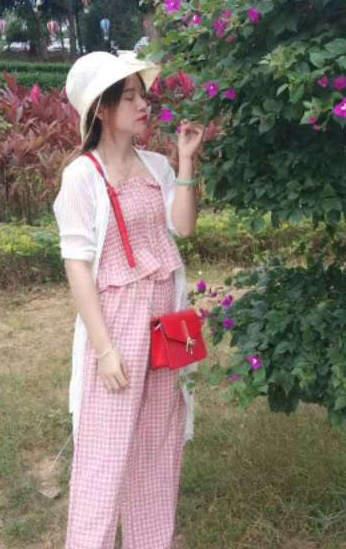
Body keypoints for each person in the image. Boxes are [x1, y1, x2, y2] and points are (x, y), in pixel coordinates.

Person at [53, 50, 205, 549]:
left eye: (144, 95)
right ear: (102, 108)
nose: (144, 105)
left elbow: (183, 227)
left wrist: (186, 161)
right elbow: (78, 267)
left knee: (159, 442)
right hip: (117, 319)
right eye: (131, 97)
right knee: (105, 449)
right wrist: (104, 349)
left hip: (167, 316)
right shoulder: (82, 176)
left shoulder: (157, 166)